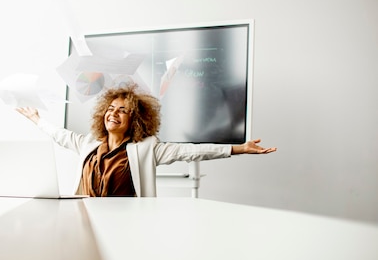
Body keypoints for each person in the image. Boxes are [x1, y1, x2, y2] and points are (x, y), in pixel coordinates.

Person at [17, 83, 276, 197]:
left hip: (128, 226)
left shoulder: (147, 148)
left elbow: (192, 152)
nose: (113, 113)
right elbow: (60, 135)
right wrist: (37, 119)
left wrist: (238, 148)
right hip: (85, 220)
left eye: (122, 110)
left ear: (135, 119)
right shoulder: (88, 144)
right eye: (110, 109)